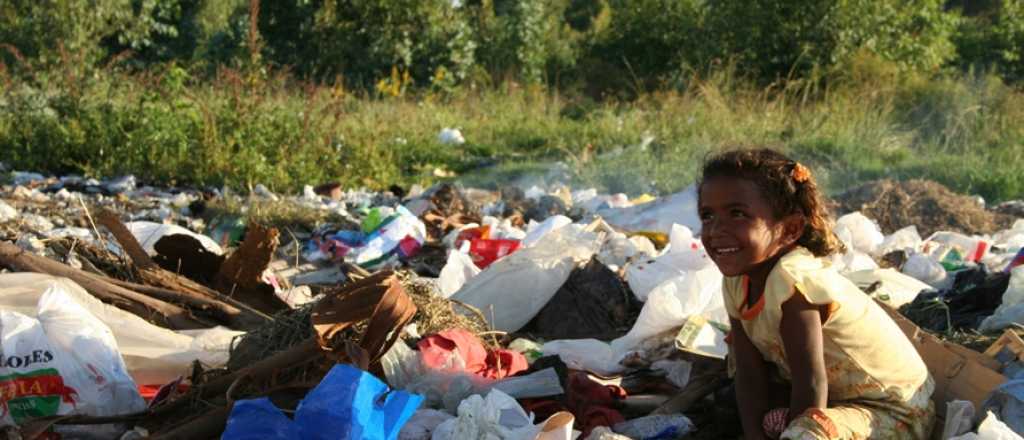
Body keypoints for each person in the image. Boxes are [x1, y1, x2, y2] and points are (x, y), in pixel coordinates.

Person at [697, 149, 934, 439]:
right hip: (835, 398)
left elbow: (811, 382)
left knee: (806, 434)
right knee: (730, 399)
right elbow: (750, 372)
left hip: (892, 409)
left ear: (790, 229)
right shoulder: (736, 281)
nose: (716, 230)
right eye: (707, 216)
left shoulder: (794, 281)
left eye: (737, 214)